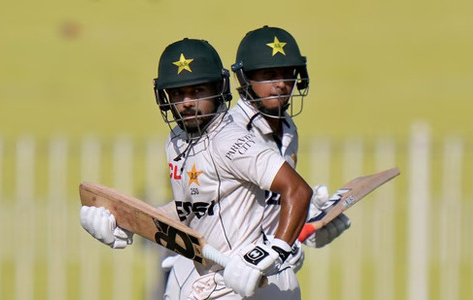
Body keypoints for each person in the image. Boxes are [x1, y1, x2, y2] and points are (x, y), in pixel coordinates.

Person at [80, 37, 313, 299]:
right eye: (178, 93)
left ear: (219, 88)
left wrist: (277, 249)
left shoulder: (230, 140)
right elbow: (189, 210)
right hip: (208, 278)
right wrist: (125, 223)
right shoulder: (177, 141)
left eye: (198, 91)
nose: (188, 102)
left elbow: (298, 190)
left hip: (250, 280)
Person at [162, 26, 352, 300]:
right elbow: (200, 208)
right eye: (269, 75)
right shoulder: (228, 132)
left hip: (257, 272)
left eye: (288, 73)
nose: (281, 84)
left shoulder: (287, 128)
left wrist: (308, 222)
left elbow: (265, 203)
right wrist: (276, 248)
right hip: (218, 272)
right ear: (245, 79)